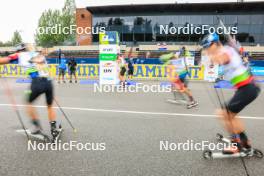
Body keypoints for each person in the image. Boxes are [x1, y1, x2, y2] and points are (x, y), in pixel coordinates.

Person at [201, 33, 260, 154]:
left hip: (247, 88)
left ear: (214, 43)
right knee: (231, 115)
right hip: (246, 89)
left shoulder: (224, 51)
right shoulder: (225, 50)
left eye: (207, 46)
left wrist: (208, 57)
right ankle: (244, 142)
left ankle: (236, 145)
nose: (206, 49)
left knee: (222, 114)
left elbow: (222, 59)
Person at [0, 43, 60, 139]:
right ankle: (54, 130)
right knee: (49, 106)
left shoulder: (19, 55)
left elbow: (3, 60)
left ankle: (36, 127)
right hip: (49, 82)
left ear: (20, 50)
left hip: (37, 83)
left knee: (28, 102)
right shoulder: (37, 54)